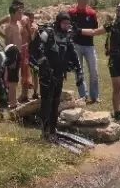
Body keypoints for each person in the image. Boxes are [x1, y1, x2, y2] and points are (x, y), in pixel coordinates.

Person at [77, 3, 120, 121]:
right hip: (115, 59)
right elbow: (95, 32)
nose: (117, 13)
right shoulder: (112, 24)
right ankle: (116, 112)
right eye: (117, 11)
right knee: (117, 87)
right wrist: (79, 30)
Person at [29, 12, 81, 141]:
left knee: (56, 102)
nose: (66, 26)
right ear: (58, 23)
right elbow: (39, 49)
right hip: (47, 74)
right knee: (46, 102)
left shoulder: (67, 37)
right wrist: (44, 66)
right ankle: (44, 130)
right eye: (64, 23)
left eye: (68, 23)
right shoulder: (48, 33)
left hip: (59, 74)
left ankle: (52, 129)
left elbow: (73, 54)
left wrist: (79, 71)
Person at [68, 0, 100, 104]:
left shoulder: (91, 13)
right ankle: (83, 95)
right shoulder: (71, 13)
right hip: (76, 45)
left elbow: (95, 30)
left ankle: (95, 96)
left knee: (94, 71)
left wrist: (80, 31)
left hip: (89, 45)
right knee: (78, 71)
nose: (86, 2)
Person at [3, 5, 24, 109]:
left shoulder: (19, 24)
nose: (21, 15)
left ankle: (14, 99)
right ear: (12, 14)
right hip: (12, 54)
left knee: (16, 79)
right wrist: (10, 59)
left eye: (21, 13)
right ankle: (11, 102)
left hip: (19, 53)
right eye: (18, 13)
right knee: (12, 80)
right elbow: (7, 42)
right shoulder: (9, 27)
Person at [23, 10, 40, 100]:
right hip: (26, 52)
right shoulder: (23, 28)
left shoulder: (34, 27)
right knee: (25, 74)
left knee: (35, 73)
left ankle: (35, 92)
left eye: (33, 17)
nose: (32, 20)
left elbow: (33, 40)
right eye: (30, 18)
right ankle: (25, 94)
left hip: (34, 53)